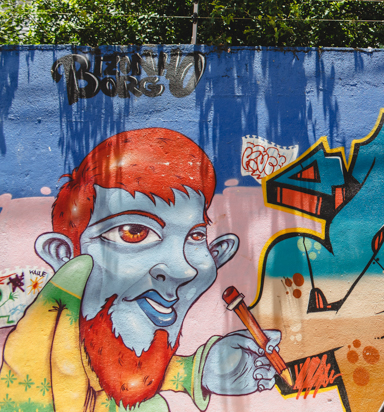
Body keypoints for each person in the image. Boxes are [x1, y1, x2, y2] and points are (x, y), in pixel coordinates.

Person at [0, 128, 281, 411]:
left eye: (196, 236)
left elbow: (122, 372)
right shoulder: (34, 379)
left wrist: (198, 369)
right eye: (134, 232)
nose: (184, 270)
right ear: (64, 256)